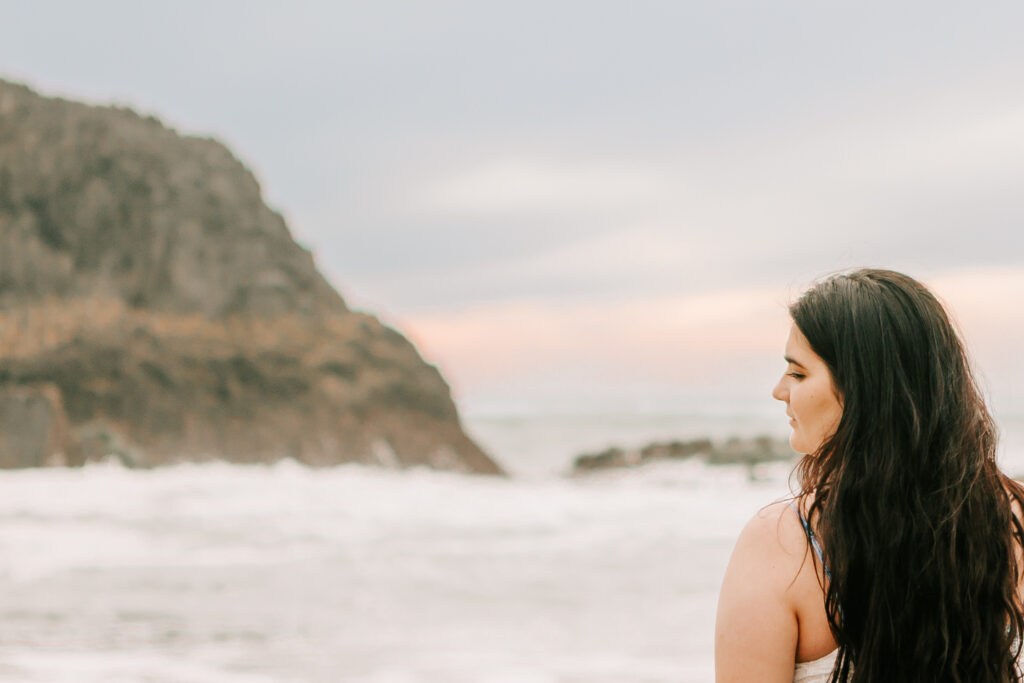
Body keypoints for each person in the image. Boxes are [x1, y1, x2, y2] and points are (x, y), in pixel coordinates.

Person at [714, 269, 1024, 682]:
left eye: (799, 372)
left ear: (865, 390)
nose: (779, 389)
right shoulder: (1014, 519)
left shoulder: (781, 544)